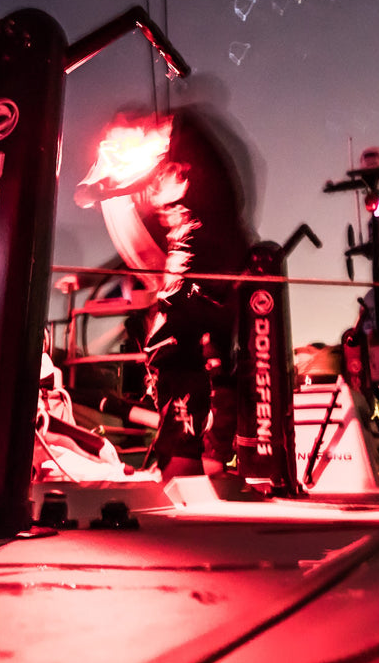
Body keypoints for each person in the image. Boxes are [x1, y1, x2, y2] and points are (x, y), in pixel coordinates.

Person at [75, 103, 256, 480]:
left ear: (137, 126)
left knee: (171, 348)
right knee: (216, 362)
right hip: (218, 263)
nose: (113, 145)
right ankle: (213, 457)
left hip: (196, 261)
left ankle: (182, 460)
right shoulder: (189, 148)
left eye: (117, 135)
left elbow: (132, 186)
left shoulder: (174, 145)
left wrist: (103, 185)